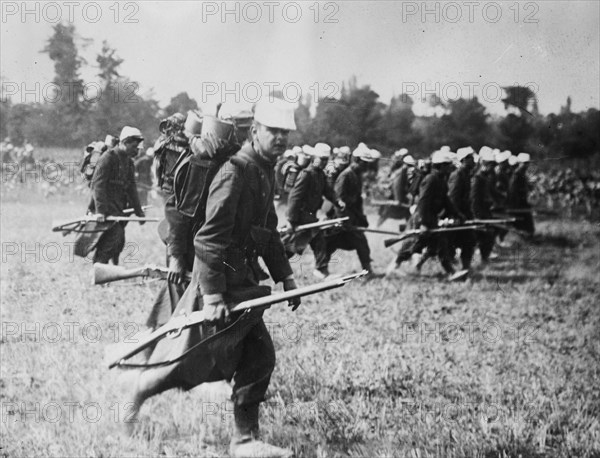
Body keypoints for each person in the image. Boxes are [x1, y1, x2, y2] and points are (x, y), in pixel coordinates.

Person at [127, 97, 300, 458]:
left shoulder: (264, 171)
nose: (281, 139)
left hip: (244, 282)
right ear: (255, 131)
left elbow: (268, 230)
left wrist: (286, 277)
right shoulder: (235, 171)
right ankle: (140, 389)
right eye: (274, 131)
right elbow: (208, 238)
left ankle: (244, 440)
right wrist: (215, 297)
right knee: (193, 362)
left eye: (286, 133)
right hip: (221, 283)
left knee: (258, 357)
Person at [386, 150, 465, 279]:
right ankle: (394, 266)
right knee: (415, 245)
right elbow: (423, 201)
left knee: (440, 244)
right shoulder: (431, 179)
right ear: (441, 165)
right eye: (448, 165)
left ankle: (451, 272)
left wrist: (457, 214)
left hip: (431, 217)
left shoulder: (441, 180)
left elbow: (446, 201)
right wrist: (423, 223)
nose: (451, 168)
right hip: (422, 218)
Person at [90, 126, 145, 264]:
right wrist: (100, 211)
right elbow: (98, 185)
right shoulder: (108, 158)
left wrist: (139, 212)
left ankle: (104, 273)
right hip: (105, 210)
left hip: (119, 210)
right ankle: (99, 270)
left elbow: (132, 189)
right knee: (114, 238)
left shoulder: (129, 163)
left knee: (117, 243)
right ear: (124, 142)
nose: (136, 150)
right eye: (133, 146)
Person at [282, 142, 338, 278]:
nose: (324, 163)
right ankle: (275, 263)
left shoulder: (320, 175)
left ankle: (321, 270)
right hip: (300, 216)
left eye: (326, 160)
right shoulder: (306, 174)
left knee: (318, 241)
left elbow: (327, 191)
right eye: (322, 159)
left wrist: (338, 201)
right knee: (292, 246)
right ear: (314, 158)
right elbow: (294, 197)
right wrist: (291, 219)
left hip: (311, 216)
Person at [320, 143, 376, 277]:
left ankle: (367, 270)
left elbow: (358, 201)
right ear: (356, 160)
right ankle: (321, 268)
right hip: (339, 216)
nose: (366, 166)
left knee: (359, 241)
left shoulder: (357, 175)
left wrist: (361, 219)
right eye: (364, 163)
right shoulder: (346, 176)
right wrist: (342, 220)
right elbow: (338, 200)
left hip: (351, 216)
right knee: (330, 242)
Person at [448, 146, 477, 271]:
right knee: (448, 244)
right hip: (456, 215)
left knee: (469, 242)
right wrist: (458, 215)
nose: (474, 161)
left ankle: (466, 267)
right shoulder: (458, 175)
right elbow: (453, 199)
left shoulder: (466, 174)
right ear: (464, 160)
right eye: (471, 158)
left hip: (464, 214)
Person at [471, 146, 497, 265]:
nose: (492, 167)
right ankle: (481, 258)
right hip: (479, 213)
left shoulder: (485, 177)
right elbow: (474, 199)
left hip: (486, 210)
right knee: (482, 237)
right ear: (483, 163)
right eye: (490, 164)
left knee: (489, 236)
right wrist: (477, 215)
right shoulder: (477, 179)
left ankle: (484, 258)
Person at [507, 152, 535, 235]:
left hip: (522, 203)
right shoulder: (516, 176)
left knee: (528, 222)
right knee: (524, 221)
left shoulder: (521, 175)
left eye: (527, 163)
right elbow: (513, 192)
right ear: (519, 163)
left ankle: (527, 235)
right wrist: (516, 205)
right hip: (516, 204)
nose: (526, 166)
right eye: (525, 163)